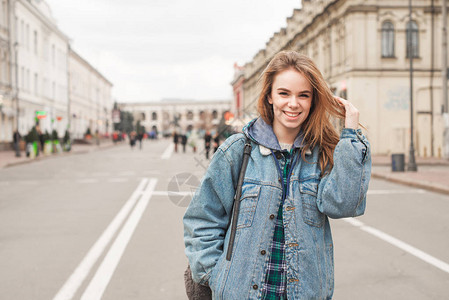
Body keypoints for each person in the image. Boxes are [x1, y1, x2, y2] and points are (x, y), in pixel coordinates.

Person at [183, 51, 371, 299]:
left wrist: (351, 134)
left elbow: (343, 205)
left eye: (303, 95)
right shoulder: (238, 151)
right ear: (269, 96)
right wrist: (216, 276)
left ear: (313, 100)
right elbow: (202, 219)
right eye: (284, 93)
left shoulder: (322, 154)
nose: (293, 103)